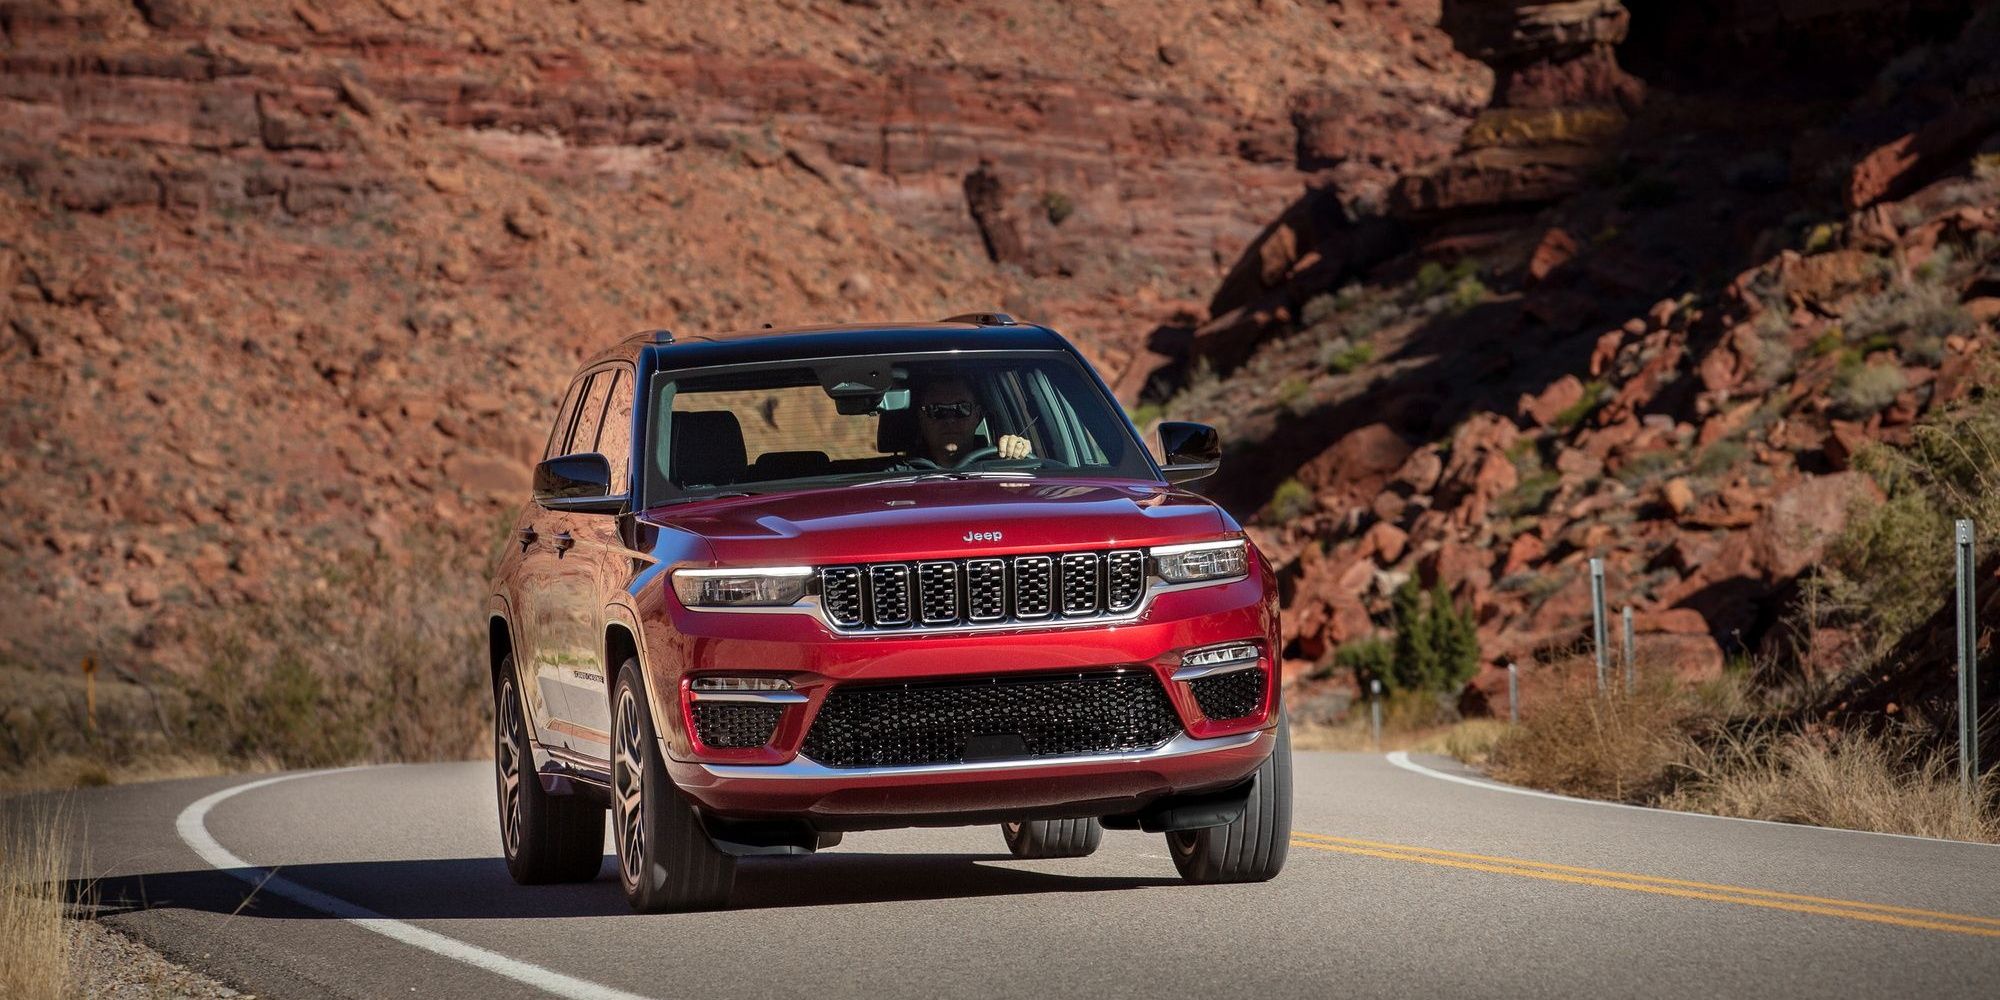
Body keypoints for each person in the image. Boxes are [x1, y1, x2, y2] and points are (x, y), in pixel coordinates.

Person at [911, 375, 1032, 465]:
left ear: (977, 416)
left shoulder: (1000, 464)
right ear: (921, 418)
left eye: (961, 408)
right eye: (936, 410)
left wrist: (1017, 452)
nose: (950, 419)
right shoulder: (896, 474)